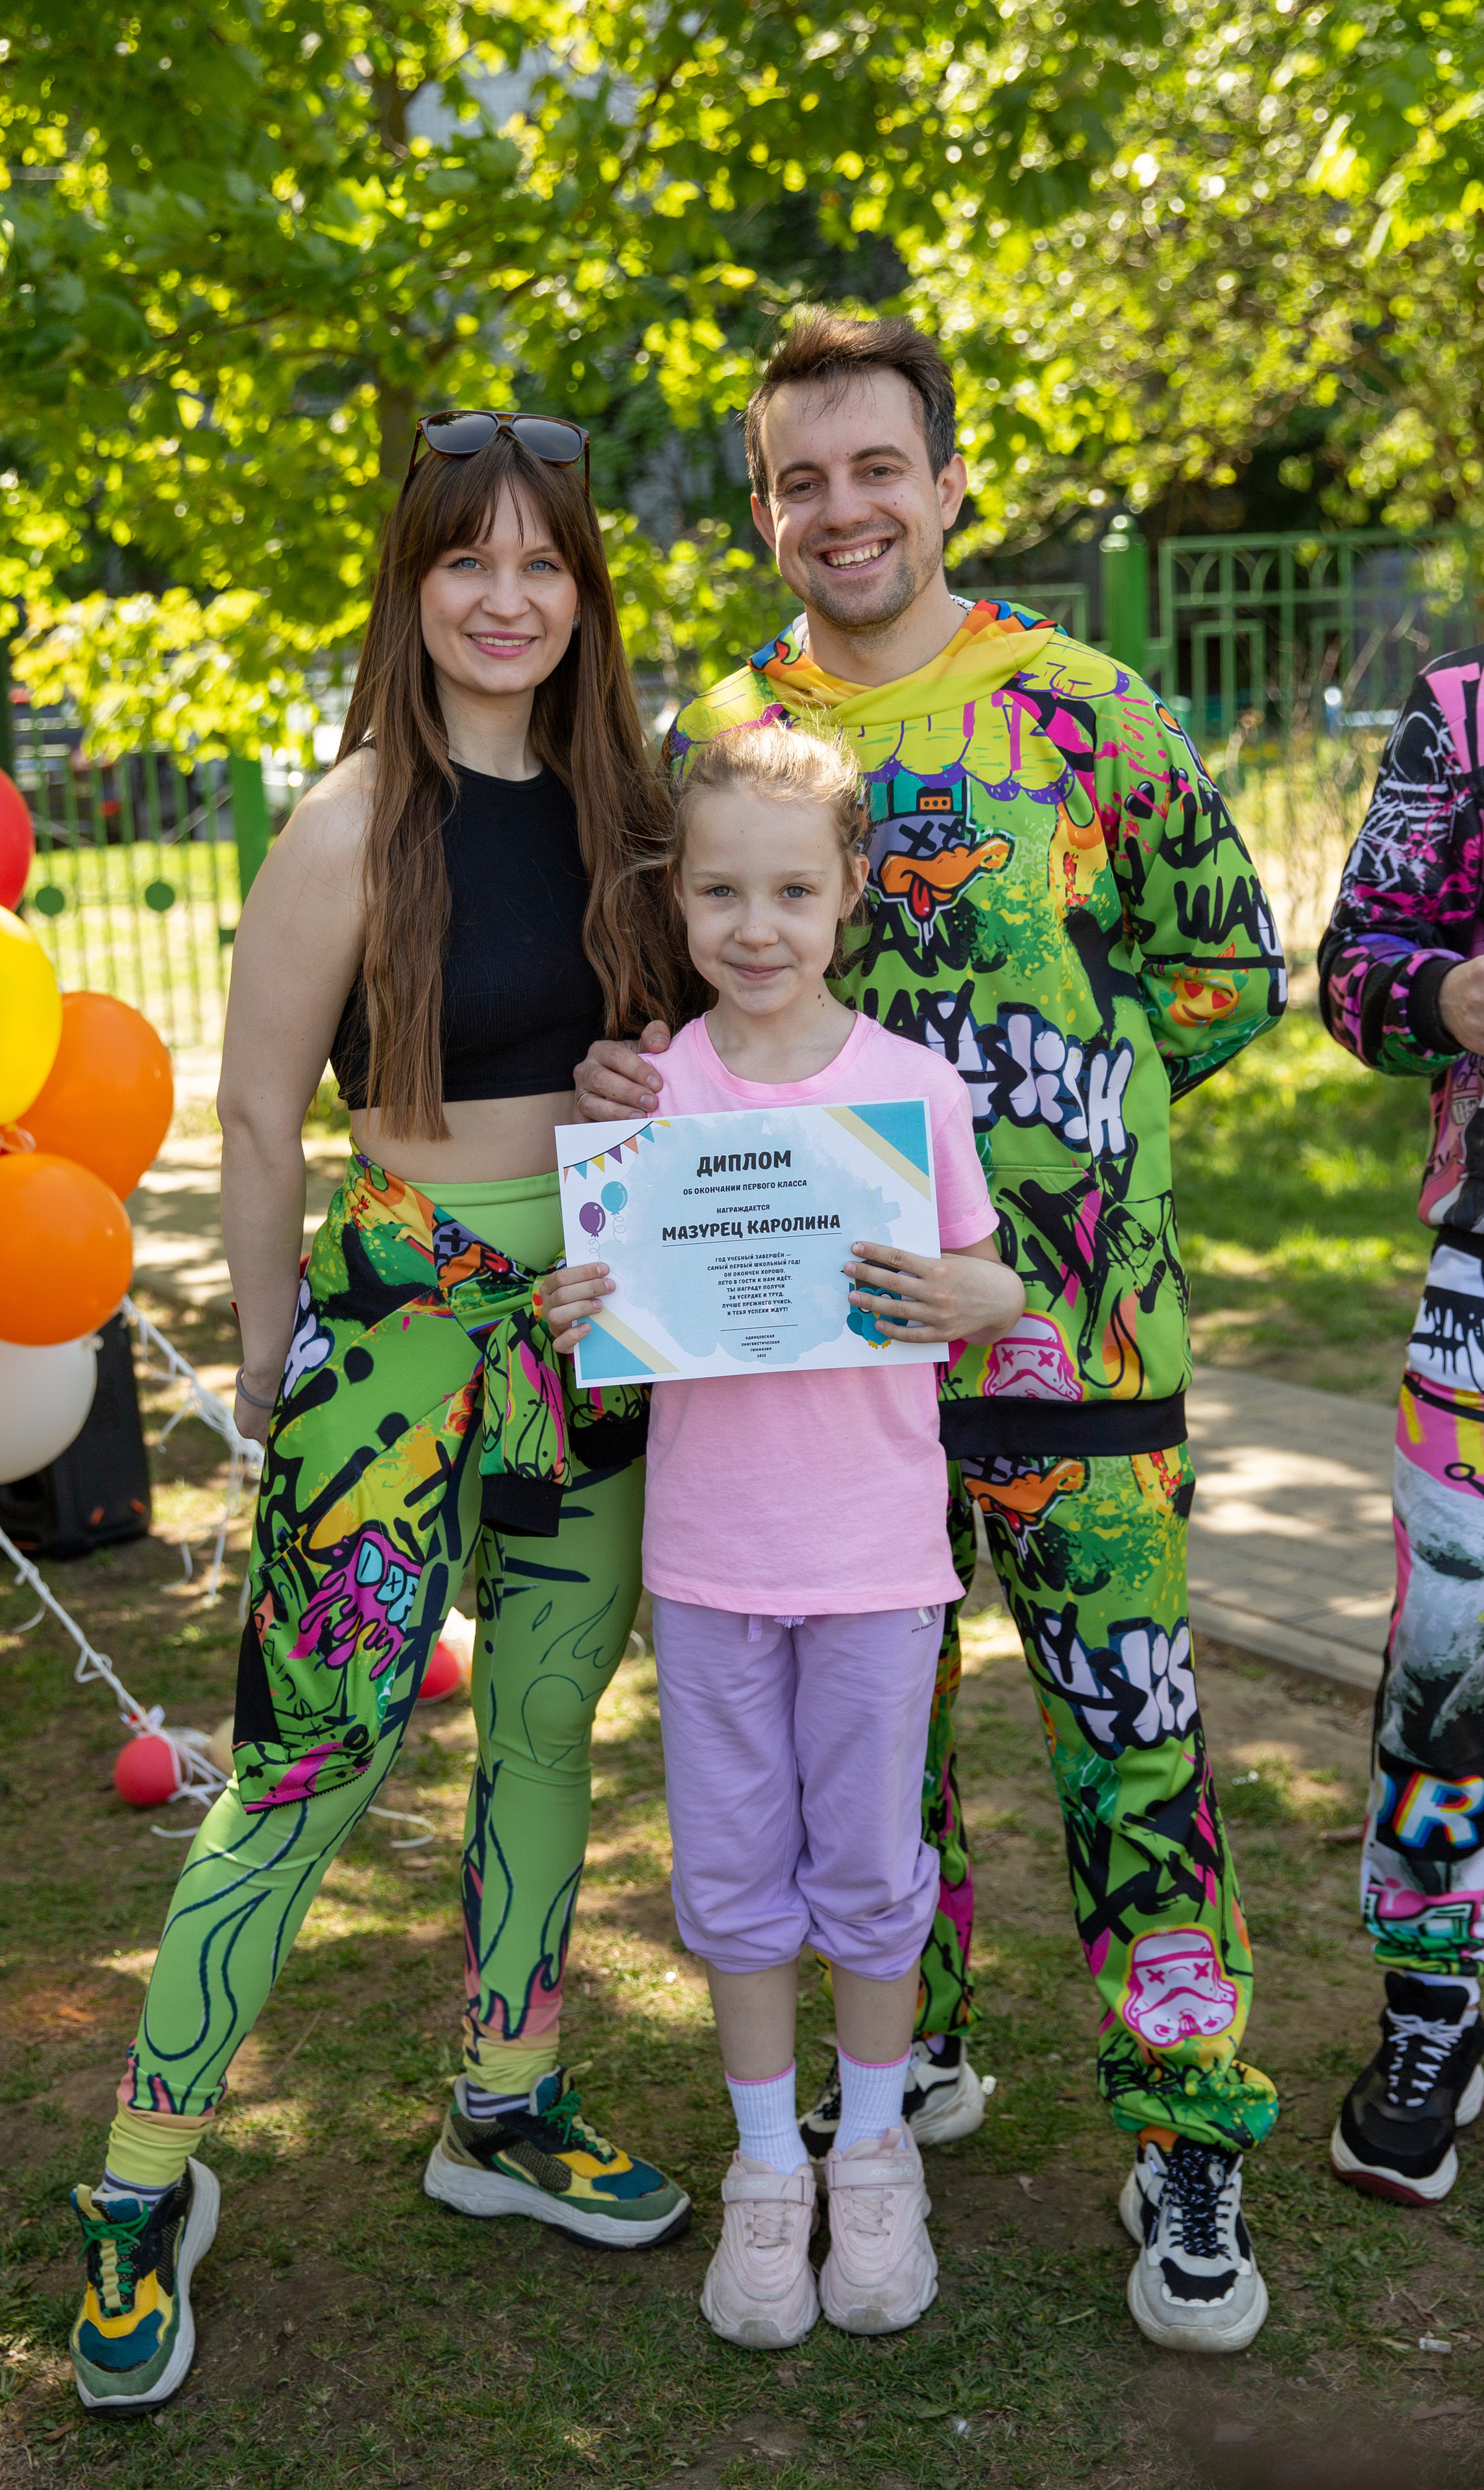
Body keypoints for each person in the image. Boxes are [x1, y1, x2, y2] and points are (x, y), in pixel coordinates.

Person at [576, 310, 1289, 2351]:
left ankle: (1182, 2122)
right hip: (810, 1384)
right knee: (871, 1738)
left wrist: (1070, 1157)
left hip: (1072, 1344)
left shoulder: (1086, 710)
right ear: (769, 509)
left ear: (950, 479)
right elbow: (679, 979)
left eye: (876, 465)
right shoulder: (723, 729)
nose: (841, 509)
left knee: (1131, 1731)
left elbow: (1223, 973)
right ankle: (914, 2053)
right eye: (801, 480)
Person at [66, 412, 698, 2415]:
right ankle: (146, 2179)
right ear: (413, 584)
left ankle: (503, 2097)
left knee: (541, 1719)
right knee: (305, 1762)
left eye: (545, 561)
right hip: (397, 1345)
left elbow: (700, 1042)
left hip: (595, 1332)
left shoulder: (636, 809)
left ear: (586, 588)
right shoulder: (350, 819)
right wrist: (269, 1361)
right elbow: (257, 1116)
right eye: (466, 561)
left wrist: (650, 1079)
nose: (507, 596)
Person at [541, 721, 1024, 2345]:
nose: (757, 927)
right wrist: (571, 1301)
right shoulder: (648, 1099)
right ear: (678, 899)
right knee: (736, 1874)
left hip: (878, 1561)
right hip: (710, 1565)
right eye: (723, 890)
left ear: (848, 898)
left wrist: (983, 1290)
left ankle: (871, 2151)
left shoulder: (909, 1090)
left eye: (792, 891)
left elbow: (987, 1277)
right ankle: (767, 2172)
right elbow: (603, 1302)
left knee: (875, 1870)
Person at [1318, 648, 1484, 2205]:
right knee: (1450, 1661)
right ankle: (1432, 2000)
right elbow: (1346, 967)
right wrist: (1445, 988)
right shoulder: (1465, 707)